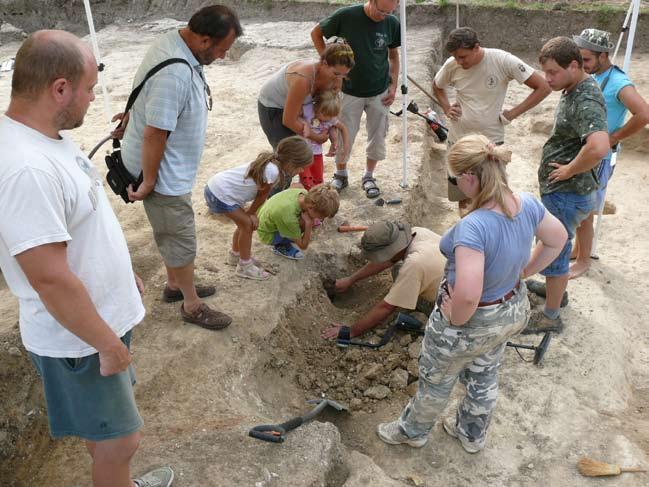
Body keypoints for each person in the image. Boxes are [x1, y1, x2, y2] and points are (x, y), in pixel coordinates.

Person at [0, 31, 173, 487]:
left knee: (107, 434)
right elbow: (50, 279)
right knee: (121, 443)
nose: (95, 98)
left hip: (94, 325)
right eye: (91, 88)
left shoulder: (45, 139)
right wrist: (107, 344)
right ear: (60, 88)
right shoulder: (27, 169)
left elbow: (79, 226)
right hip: (80, 339)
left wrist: (120, 271)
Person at [376, 134, 567, 454]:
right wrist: (524, 272)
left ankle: (413, 431)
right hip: (509, 310)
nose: (454, 185)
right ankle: (471, 433)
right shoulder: (528, 204)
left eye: (453, 179)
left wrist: (454, 316)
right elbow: (557, 238)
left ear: (468, 178)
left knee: (436, 380)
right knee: (485, 373)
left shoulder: (474, 228)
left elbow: (467, 294)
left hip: (472, 320)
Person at [120, 5, 242, 330]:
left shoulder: (172, 43)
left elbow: (142, 92)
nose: (223, 56)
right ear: (204, 40)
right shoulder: (174, 73)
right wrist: (149, 181)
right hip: (162, 175)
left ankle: (176, 285)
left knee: (171, 233)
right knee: (180, 236)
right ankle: (191, 304)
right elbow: (156, 133)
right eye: (221, 49)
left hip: (166, 168)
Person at [524, 37, 610, 335]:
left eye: (552, 72)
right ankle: (555, 291)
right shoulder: (573, 86)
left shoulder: (585, 99)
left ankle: (550, 315)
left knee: (555, 251)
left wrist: (570, 169)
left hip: (568, 194)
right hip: (567, 192)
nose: (547, 79)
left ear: (573, 66)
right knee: (557, 248)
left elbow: (599, 147)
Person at [433, 27, 551, 204]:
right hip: (459, 141)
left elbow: (543, 87)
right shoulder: (452, 64)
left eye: (463, 57)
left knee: (492, 195)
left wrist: (512, 113)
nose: (458, 61)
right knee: (464, 196)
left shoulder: (502, 60)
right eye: (456, 57)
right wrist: (446, 107)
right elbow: (437, 86)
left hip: (491, 143)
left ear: (476, 47)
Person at [569, 28, 649, 279]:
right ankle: (577, 249)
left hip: (601, 157)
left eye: (588, 59)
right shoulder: (591, 75)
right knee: (579, 205)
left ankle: (583, 260)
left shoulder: (618, 82)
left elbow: (644, 113)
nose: (583, 64)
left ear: (603, 56)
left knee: (587, 208)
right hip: (585, 152)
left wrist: (614, 137)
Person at [311, 0, 400, 198]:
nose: (383, 16)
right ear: (371, 1)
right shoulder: (346, 15)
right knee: (345, 133)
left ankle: (369, 176)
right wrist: (328, 63)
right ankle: (341, 174)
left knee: (377, 135)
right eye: (380, 11)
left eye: (389, 12)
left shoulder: (392, 23)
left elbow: (393, 56)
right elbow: (316, 33)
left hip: (379, 91)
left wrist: (393, 86)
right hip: (349, 90)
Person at [204, 136, 313, 280]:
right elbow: (261, 196)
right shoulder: (272, 172)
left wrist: (249, 213)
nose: (301, 171)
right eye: (300, 167)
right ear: (292, 162)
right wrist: (251, 214)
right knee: (247, 225)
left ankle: (235, 256)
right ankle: (245, 266)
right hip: (220, 194)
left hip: (217, 188)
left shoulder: (272, 165)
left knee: (243, 224)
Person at [321, 221, 445, 341]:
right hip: (454, 284)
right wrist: (350, 280)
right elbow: (391, 259)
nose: (381, 259)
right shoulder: (417, 232)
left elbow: (386, 307)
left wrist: (351, 331)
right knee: (399, 268)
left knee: (401, 271)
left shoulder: (414, 264)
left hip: (448, 309)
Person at [258, 42, 355, 150]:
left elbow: (329, 112)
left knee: (303, 153)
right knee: (288, 154)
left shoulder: (337, 78)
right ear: (324, 63)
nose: (339, 79)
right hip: (273, 105)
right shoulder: (303, 79)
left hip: (300, 108)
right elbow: (289, 120)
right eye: (336, 74)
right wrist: (316, 137)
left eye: (344, 75)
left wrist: (333, 137)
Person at [256, 184, 340, 260]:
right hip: (267, 234)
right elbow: (303, 246)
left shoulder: (303, 193)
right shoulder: (289, 218)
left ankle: (293, 234)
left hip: (265, 215)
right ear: (311, 207)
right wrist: (309, 224)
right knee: (304, 221)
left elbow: (295, 185)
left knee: (306, 217)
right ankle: (281, 246)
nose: (321, 219)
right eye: (321, 216)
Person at [298, 90, 350, 191]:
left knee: (318, 180)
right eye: (326, 115)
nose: (329, 119)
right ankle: (306, 200)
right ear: (317, 108)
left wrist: (345, 147)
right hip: (302, 153)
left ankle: (317, 200)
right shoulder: (307, 110)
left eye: (331, 116)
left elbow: (343, 128)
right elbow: (294, 116)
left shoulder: (330, 118)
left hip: (317, 153)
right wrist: (304, 122)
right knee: (306, 180)